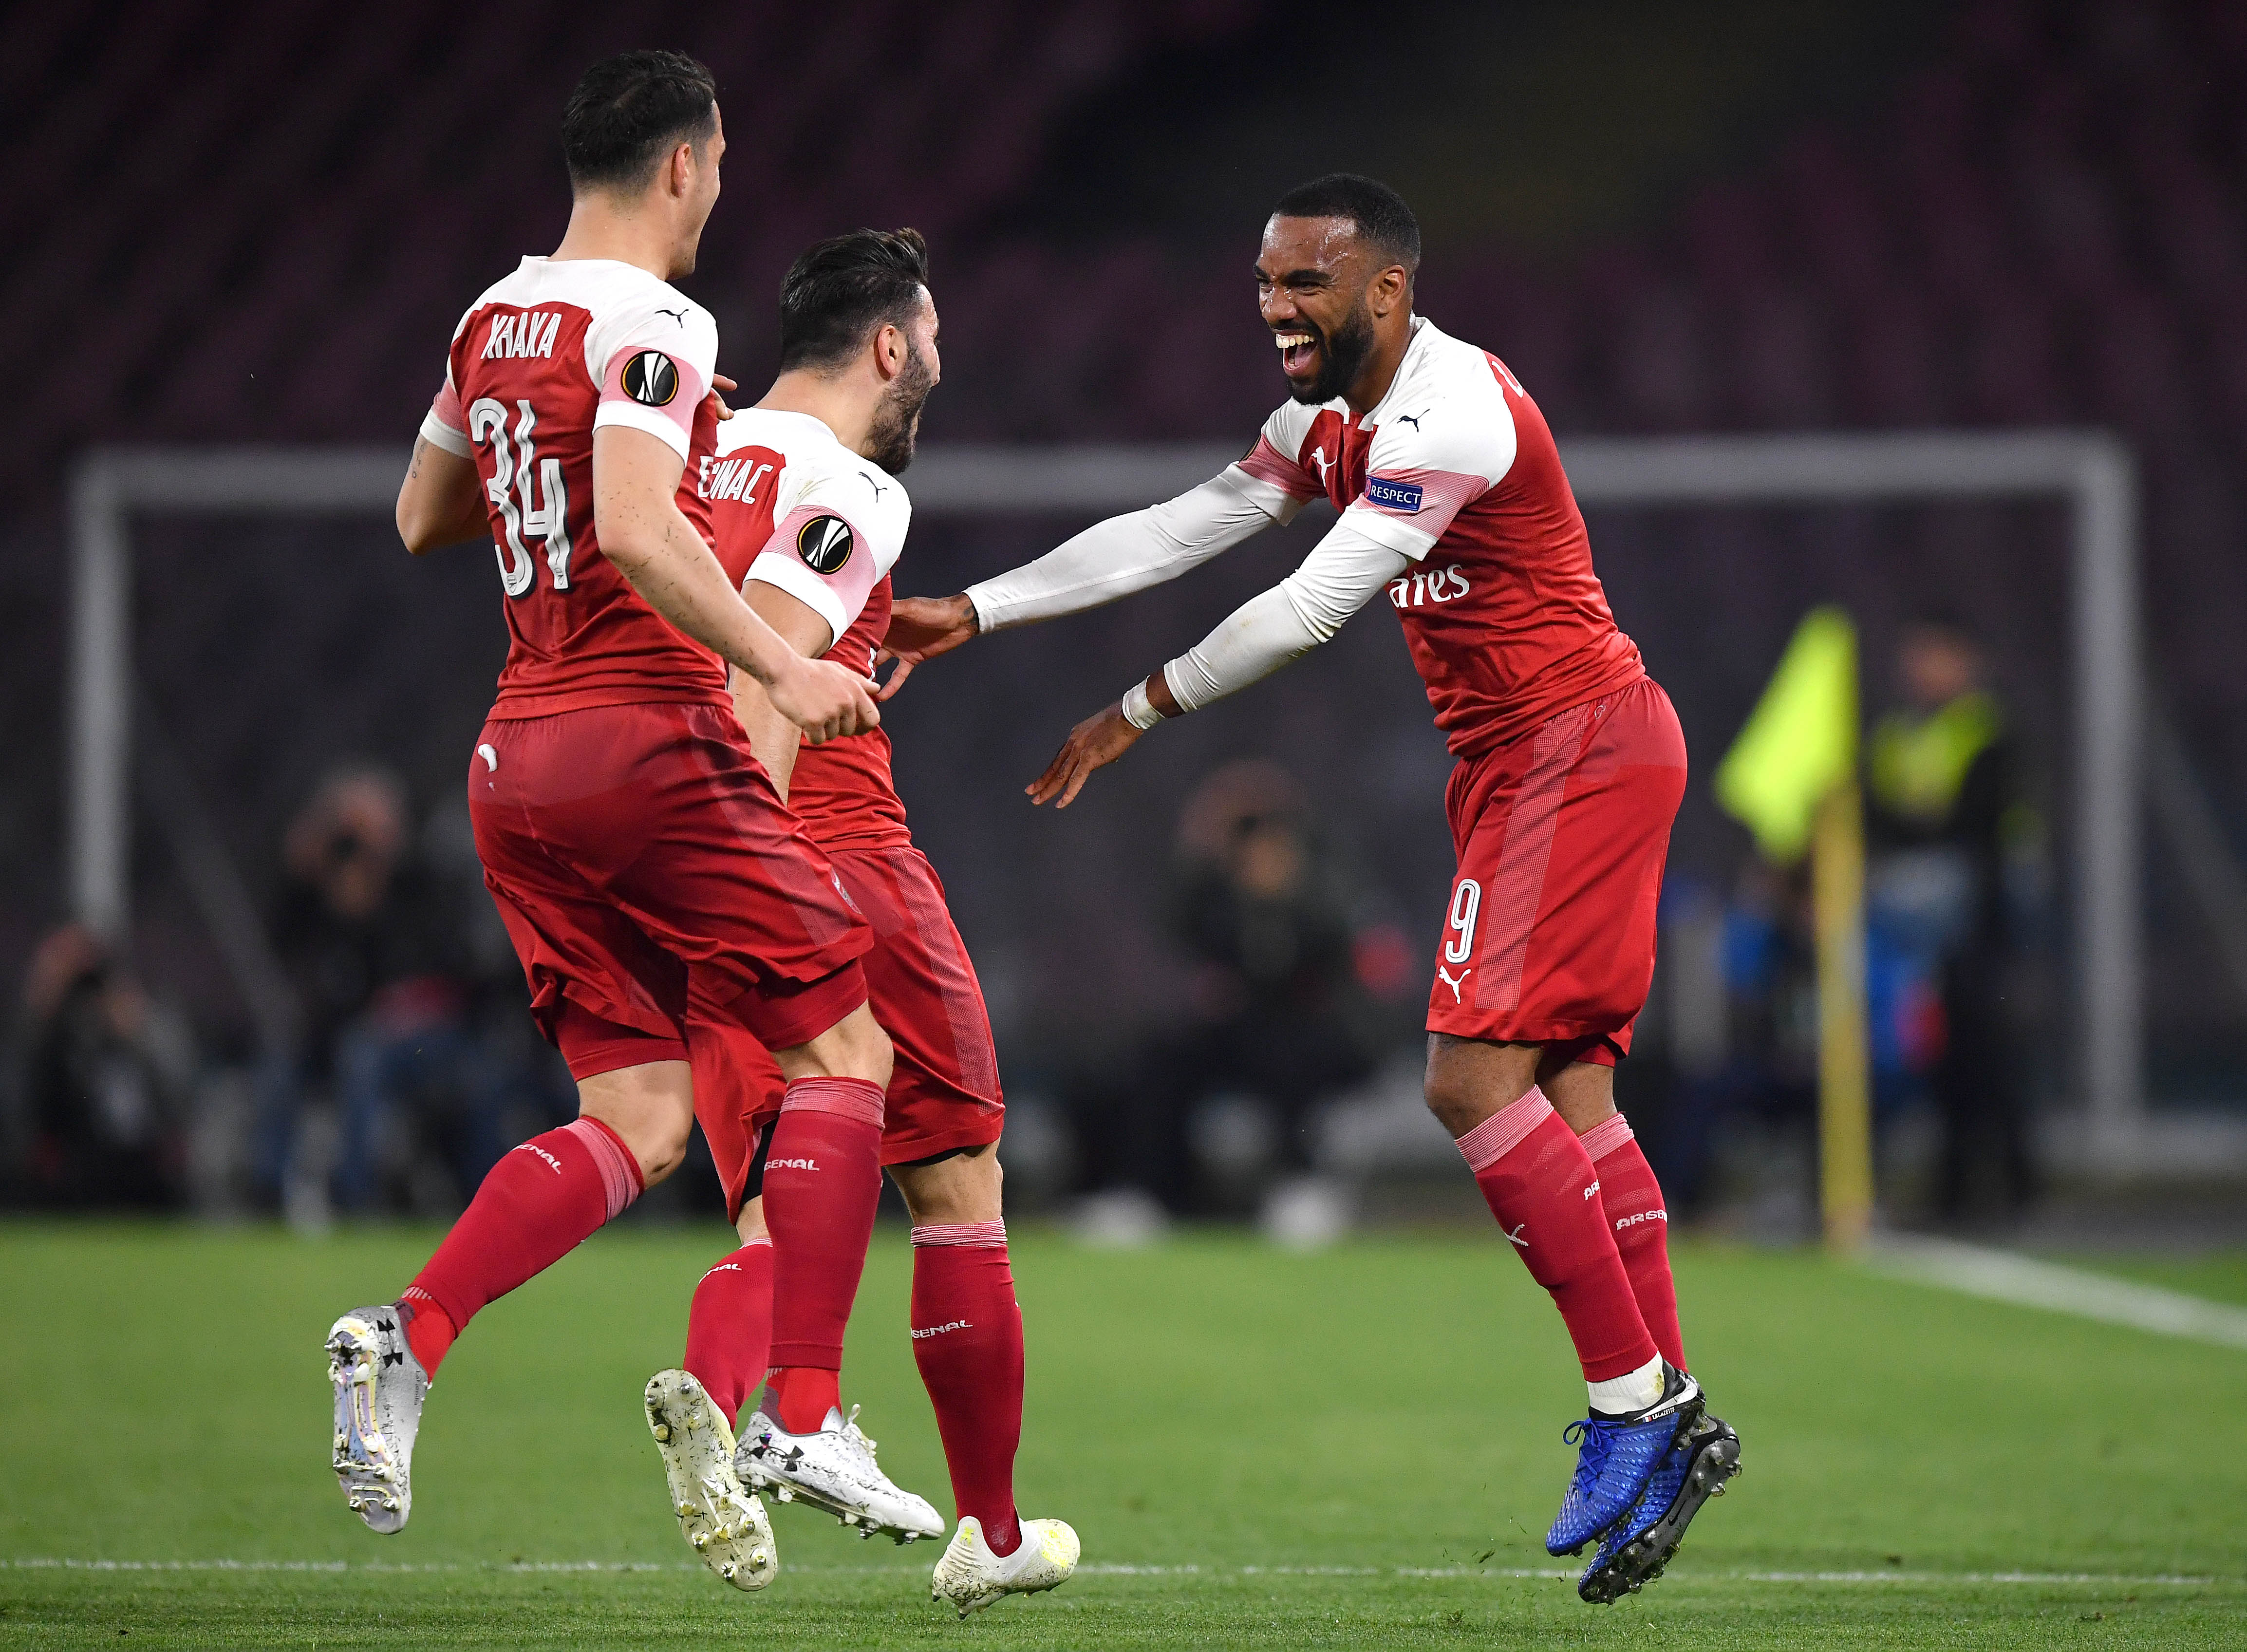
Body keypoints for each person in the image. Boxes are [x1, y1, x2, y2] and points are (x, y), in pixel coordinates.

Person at [882, 174, 1740, 1604]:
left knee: (1469, 1079)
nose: (1275, 307)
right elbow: (1178, 526)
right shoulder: (1321, 423)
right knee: (1569, 1095)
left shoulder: (1447, 411)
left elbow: (1306, 606)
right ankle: (1671, 1412)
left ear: (1385, 291)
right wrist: (984, 606)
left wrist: (1134, 707)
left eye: (1306, 284)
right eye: (1267, 281)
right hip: (1531, 760)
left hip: (1568, 747)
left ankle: (1632, 1403)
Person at [329, 52, 887, 1596]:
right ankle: (802, 1410)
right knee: (849, 1048)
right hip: (643, 739)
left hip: (510, 760)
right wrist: (784, 658)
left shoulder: (487, 320)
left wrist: (545, 504)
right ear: (684, 168)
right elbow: (638, 530)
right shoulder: (653, 322)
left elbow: (420, 516)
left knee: (639, 1113)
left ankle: (408, 1333)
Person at [651, 227, 1076, 1616]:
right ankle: (992, 1533)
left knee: (789, 1216)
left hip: (668, 843)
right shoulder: (851, 484)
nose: (937, 368)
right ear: (888, 343)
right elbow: (762, 689)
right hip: (821, 855)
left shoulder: (700, 443)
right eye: (931, 340)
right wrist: (753, 871)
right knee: (956, 1180)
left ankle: (720, 1400)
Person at [1866, 613, 2039, 1221]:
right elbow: (1878, 815)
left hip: (1979, 922)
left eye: (1938, 655)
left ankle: (2016, 1187)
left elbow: (1978, 829)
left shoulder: (1986, 732)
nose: (1924, 668)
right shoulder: (1895, 733)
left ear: (1967, 661)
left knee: (1987, 1052)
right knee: (1936, 1058)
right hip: (1914, 930)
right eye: (1918, 654)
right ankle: (1954, 1189)